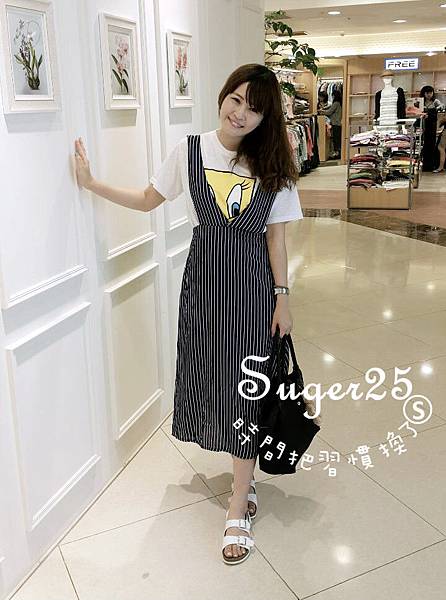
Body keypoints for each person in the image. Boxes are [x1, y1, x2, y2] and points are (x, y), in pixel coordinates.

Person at [73, 63, 303, 566]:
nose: (240, 114)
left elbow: (276, 239)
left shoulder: (273, 165)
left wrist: (282, 298)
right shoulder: (190, 150)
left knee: (246, 390)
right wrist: (91, 183)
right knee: (212, 382)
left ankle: (239, 501)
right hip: (203, 291)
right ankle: (245, 478)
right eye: (236, 99)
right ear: (223, 96)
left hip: (253, 293)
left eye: (254, 109)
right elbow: (147, 200)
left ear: (266, 118)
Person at [319, 89, 342, 159]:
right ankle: (337, 153)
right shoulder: (338, 103)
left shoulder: (336, 103)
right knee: (336, 139)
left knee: (336, 140)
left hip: (336, 123)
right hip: (337, 123)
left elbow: (329, 112)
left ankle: (337, 154)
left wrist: (321, 111)